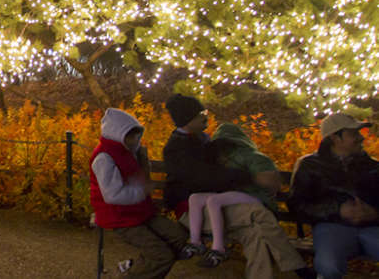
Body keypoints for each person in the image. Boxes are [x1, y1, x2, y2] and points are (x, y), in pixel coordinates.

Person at [162, 94, 313, 279]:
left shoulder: (201, 138)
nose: (205, 116)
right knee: (258, 213)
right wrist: (250, 177)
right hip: (192, 211)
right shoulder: (177, 149)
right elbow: (205, 179)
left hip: (214, 206)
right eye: (200, 113)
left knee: (255, 233)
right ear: (187, 120)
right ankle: (299, 269)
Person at [90, 107, 190, 279]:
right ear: (118, 134)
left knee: (179, 237)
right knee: (161, 255)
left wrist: (143, 163)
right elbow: (112, 195)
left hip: (141, 213)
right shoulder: (104, 158)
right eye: (131, 135)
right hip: (119, 217)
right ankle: (132, 274)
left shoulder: (130, 152)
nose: (135, 139)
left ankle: (134, 268)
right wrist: (141, 191)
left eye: (137, 135)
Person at [287, 113, 379, 279]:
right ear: (335, 138)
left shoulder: (373, 167)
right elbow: (297, 205)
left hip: (373, 228)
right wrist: (337, 210)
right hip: (332, 227)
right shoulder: (310, 165)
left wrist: (375, 213)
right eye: (353, 134)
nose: (360, 138)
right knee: (328, 266)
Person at [183, 122, 282, 268]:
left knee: (214, 201)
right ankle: (195, 242)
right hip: (234, 197)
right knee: (195, 198)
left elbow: (272, 184)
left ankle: (218, 248)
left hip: (256, 199)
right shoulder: (219, 159)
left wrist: (247, 177)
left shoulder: (252, 157)